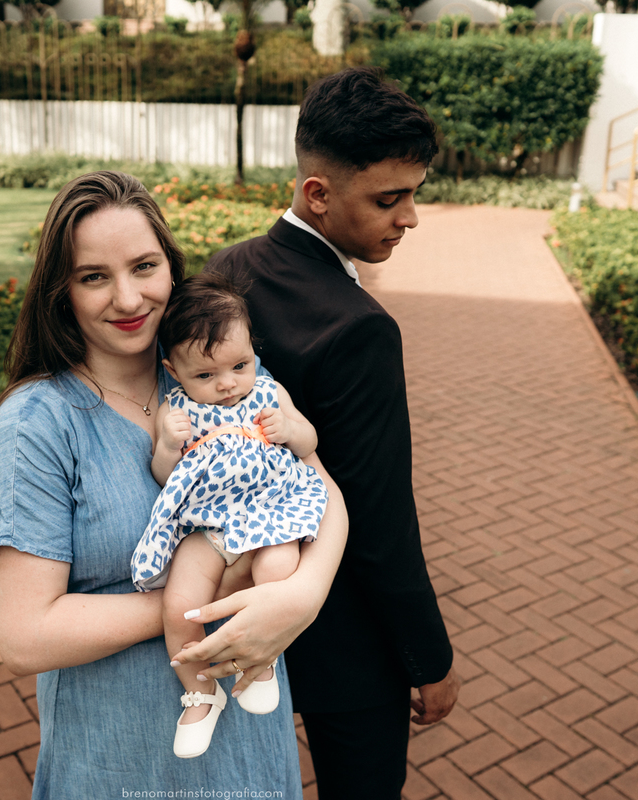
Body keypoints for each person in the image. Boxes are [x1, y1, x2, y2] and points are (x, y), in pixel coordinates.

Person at [0, 171, 348, 798]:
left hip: (251, 758)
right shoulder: (37, 424)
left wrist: (299, 597)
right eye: (93, 277)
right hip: (121, 763)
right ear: (62, 293)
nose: (129, 298)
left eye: (144, 266)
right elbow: (23, 635)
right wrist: (209, 601)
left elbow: (322, 490)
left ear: (171, 266)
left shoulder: (215, 370)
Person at [194, 67, 461, 798]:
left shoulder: (226, 272)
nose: (409, 217)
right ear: (318, 192)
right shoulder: (360, 329)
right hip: (347, 639)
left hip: (226, 610)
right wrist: (427, 658)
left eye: (413, 194)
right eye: (389, 198)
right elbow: (379, 519)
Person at [130, 273, 329, 758]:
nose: (226, 384)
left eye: (239, 365)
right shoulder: (175, 410)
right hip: (208, 524)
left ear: (252, 354)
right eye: (205, 375)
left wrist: (289, 429)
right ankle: (200, 692)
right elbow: (165, 477)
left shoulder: (267, 392)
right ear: (173, 372)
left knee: (278, 573)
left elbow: (310, 443)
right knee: (181, 606)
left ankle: (261, 662)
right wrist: (168, 445)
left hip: (269, 512)